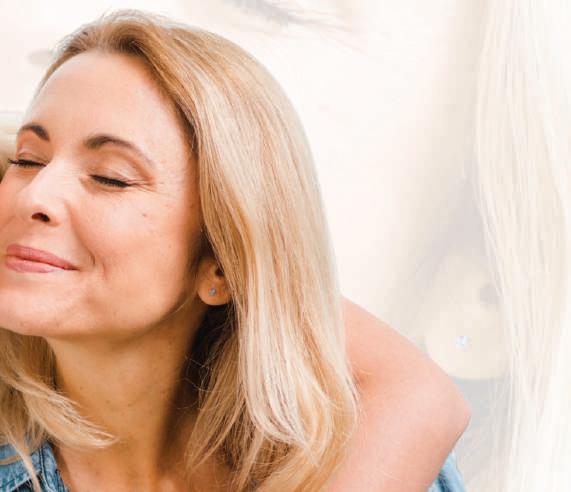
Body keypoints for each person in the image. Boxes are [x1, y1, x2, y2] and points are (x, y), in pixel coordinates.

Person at [0, 10, 469, 491]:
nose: (34, 196)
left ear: (221, 267)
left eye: (110, 177)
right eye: (27, 159)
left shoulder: (371, 453)